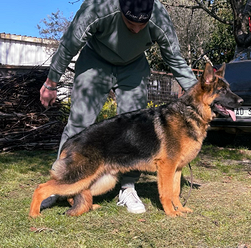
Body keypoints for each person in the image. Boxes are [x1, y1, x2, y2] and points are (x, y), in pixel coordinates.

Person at [40, 0, 198, 214]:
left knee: (136, 129)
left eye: (142, 26)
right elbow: (69, 45)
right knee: (80, 120)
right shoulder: (98, 8)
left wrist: (199, 96)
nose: (135, 30)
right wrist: (51, 82)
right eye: (130, 23)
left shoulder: (160, 17)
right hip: (96, 60)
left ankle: (128, 187)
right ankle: (61, 183)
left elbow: (176, 60)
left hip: (133, 65)